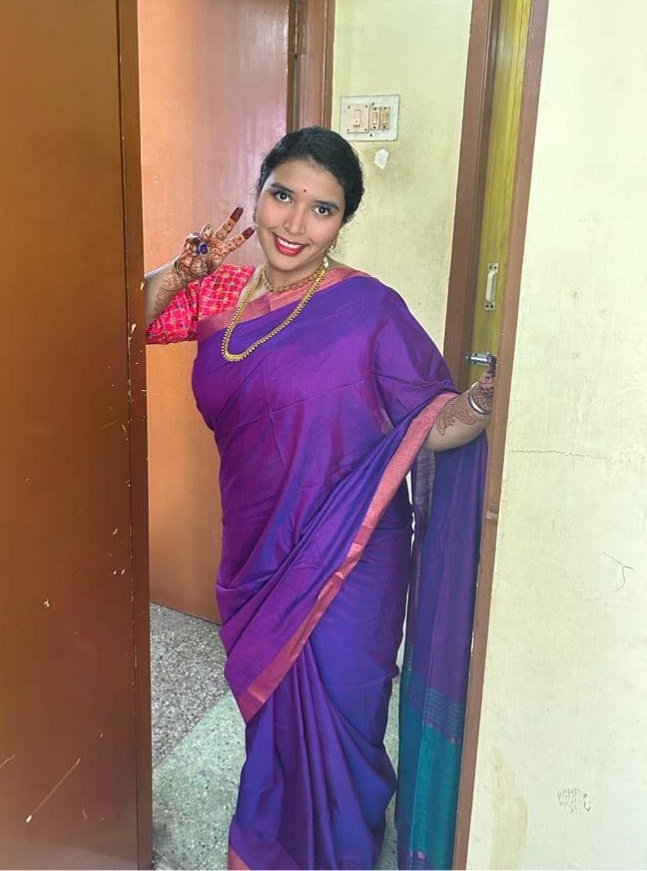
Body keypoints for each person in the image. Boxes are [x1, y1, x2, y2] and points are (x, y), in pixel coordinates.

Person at [145, 127, 493, 871]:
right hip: (256, 545)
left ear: (342, 223)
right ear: (258, 193)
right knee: (275, 711)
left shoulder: (369, 309)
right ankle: (273, 843)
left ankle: (341, 850)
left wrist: (481, 404)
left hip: (355, 551)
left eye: (322, 209)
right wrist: (177, 272)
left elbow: (431, 421)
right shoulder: (217, 295)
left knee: (346, 706)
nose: (294, 224)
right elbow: (130, 319)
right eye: (282, 196)